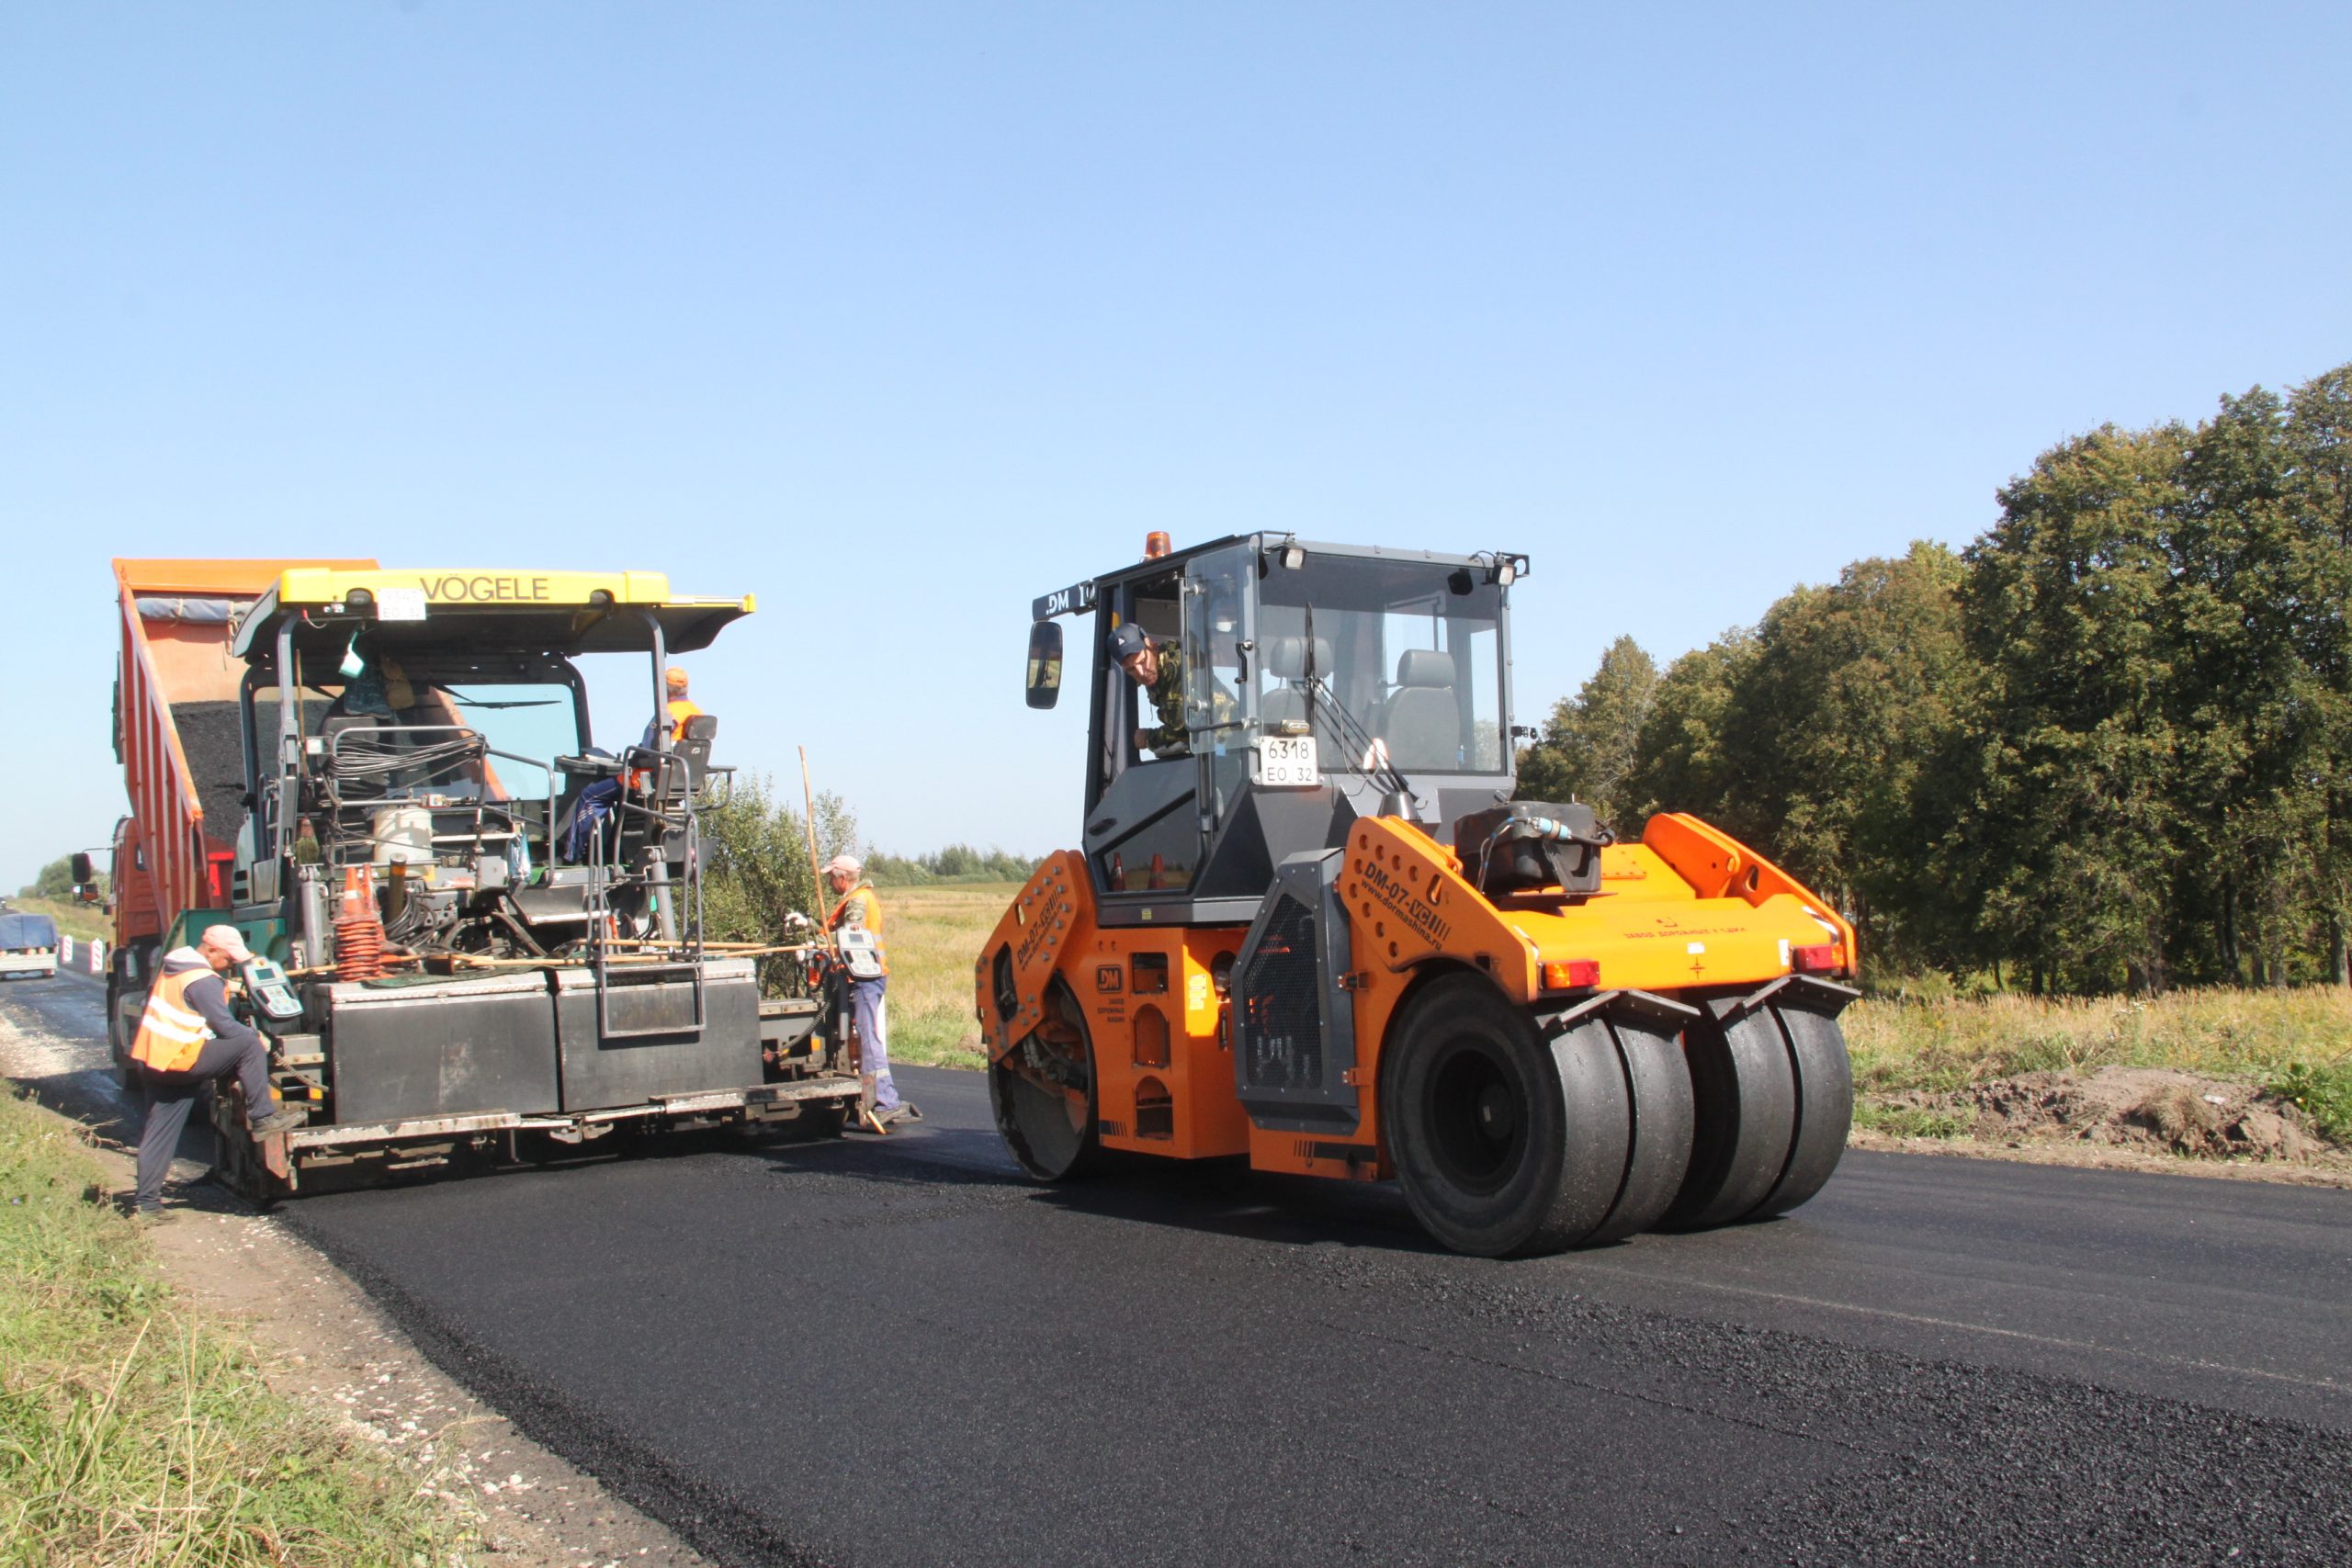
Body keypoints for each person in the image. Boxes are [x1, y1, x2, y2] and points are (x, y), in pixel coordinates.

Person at [128, 925, 306, 1221]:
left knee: (159, 1133)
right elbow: (225, 1027)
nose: (232, 964)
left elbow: (197, 994)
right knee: (248, 1043)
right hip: (182, 1059)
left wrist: (232, 987)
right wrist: (258, 1040)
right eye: (229, 959)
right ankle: (262, 1117)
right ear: (211, 950)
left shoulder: (176, 966)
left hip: (156, 1060)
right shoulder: (204, 980)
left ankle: (146, 1205)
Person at [822, 853, 917, 1131]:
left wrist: (816, 935)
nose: (829, 882)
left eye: (831, 876)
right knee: (861, 1037)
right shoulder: (860, 897)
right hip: (865, 977)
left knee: (867, 1039)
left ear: (842, 877)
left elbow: (850, 935)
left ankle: (887, 1100)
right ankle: (873, 1097)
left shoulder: (858, 902)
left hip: (866, 978)